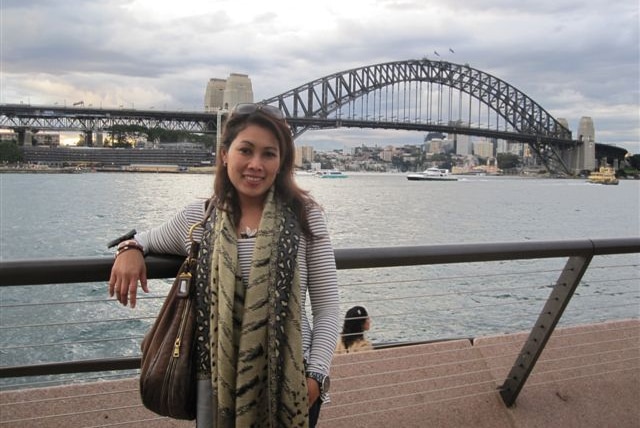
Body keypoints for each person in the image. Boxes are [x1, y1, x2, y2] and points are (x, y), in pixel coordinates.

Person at [108, 103, 340, 427]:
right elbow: (146, 239)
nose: (255, 164)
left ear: (282, 161)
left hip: (291, 388)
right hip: (216, 387)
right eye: (245, 150)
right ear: (224, 155)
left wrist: (315, 377)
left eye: (269, 154)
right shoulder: (199, 219)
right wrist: (129, 250)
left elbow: (328, 307)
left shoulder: (306, 218)